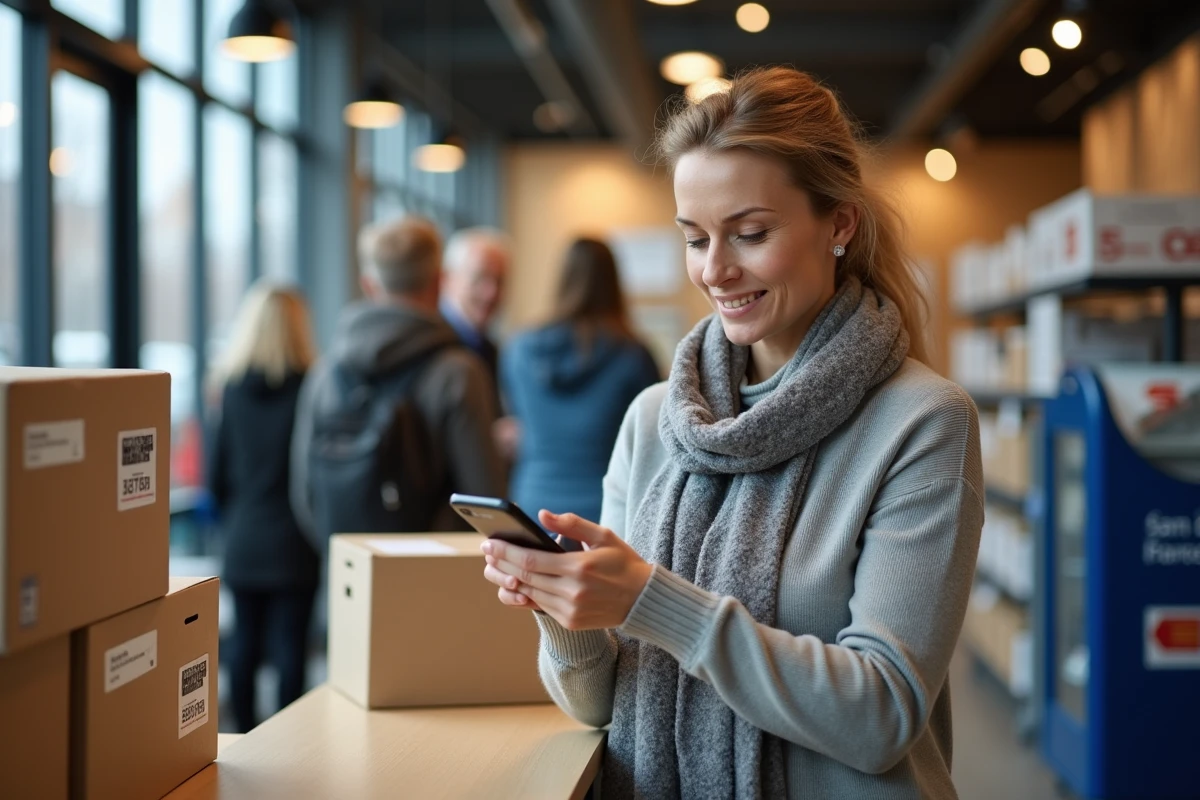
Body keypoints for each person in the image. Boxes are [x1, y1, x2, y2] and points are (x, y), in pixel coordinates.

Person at [481, 66, 984, 799]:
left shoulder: (924, 421)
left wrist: (651, 601)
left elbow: (882, 715)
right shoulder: (654, 419)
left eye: (751, 234)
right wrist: (570, 612)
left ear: (839, 223)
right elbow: (598, 705)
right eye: (694, 238)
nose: (715, 270)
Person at [290, 215, 506, 540]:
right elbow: (486, 503)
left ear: (369, 284)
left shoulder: (326, 372)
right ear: (439, 281)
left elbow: (305, 498)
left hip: (350, 574)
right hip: (434, 578)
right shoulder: (459, 373)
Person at [206, 281, 320, 733]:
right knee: (291, 644)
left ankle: (243, 735)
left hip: (244, 538)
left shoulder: (229, 389)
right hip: (296, 539)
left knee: (244, 645)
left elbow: (215, 478)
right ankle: (287, 739)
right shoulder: (312, 389)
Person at [500, 237, 660, 526]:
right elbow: (653, 441)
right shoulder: (634, 355)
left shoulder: (519, 350)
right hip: (606, 514)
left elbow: (519, 421)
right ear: (613, 283)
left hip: (532, 509)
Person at [440, 227, 510, 383]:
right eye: (479, 278)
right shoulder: (433, 348)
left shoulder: (492, 353)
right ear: (447, 279)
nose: (491, 292)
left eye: (499, 281)